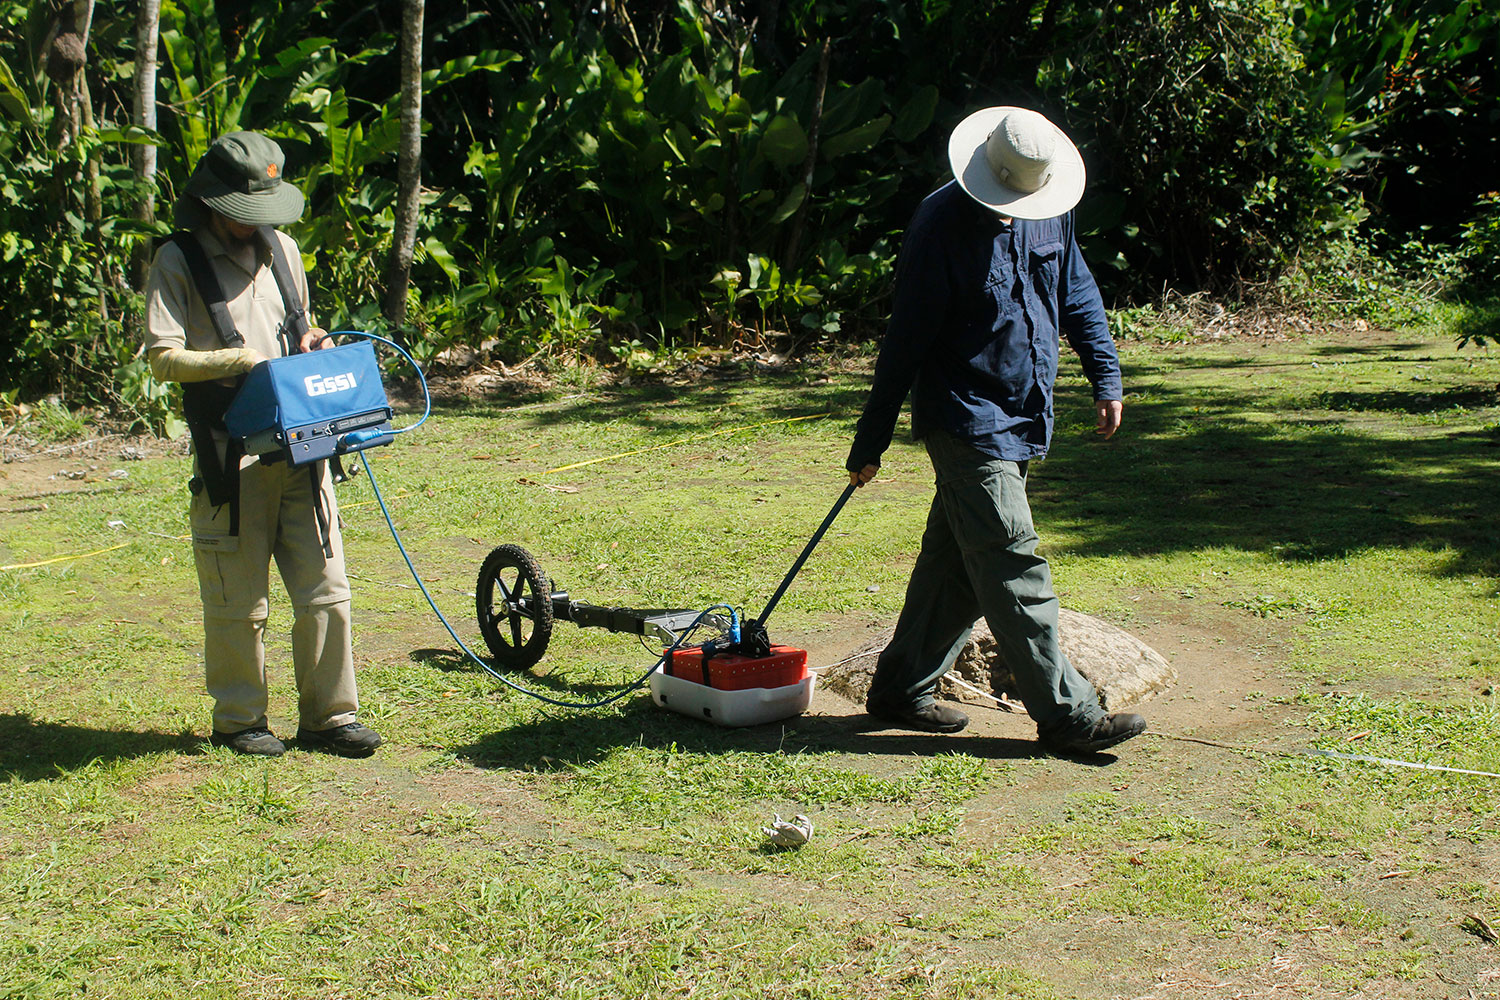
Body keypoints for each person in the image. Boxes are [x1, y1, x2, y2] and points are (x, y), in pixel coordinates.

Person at [845, 107, 1146, 755]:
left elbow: (1077, 289)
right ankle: (1070, 715)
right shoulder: (940, 226)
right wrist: (869, 442)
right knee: (1011, 559)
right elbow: (904, 344)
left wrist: (1107, 376)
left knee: (955, 564)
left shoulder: (1048, 205)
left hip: (1024, 413)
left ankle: (900, 688)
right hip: (965, 421)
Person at [145, 131, 382, 758]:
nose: (256, 226)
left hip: (302, 449)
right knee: (238, 601)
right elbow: (163, 358)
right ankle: (239, 719)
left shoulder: (285, 249)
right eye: (245, 214)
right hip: (232, 455)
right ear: (214, 202)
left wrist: (314, 341)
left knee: (327, 590)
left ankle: (330, 716)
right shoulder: (177, 260)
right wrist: (237, 359)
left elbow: (301, 325)